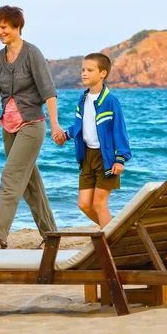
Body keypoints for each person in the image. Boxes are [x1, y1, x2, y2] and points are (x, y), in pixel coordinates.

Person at [0, 5, 64, 250]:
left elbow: (48, 92)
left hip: (31, 125)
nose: (0, 31)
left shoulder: (32, 54)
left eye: (4, 27)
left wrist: (55, 124)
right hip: (8, 128)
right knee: (30, 184)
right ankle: (51, 236)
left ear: (18, 26)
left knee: (10, 175)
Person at [58, 53, 131, 228]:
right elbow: (80, 125)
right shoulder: (82, 99)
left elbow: (120, 131)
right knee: (83, 204)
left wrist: (121, 158)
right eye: (83, 69)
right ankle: (115, 232)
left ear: (102, 73)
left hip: (107, 159)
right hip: (87, 157)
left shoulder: (111, 102)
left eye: (90, 70)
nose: (84, 73)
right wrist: (66, 135)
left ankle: (111, 241)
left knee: (99, 204)